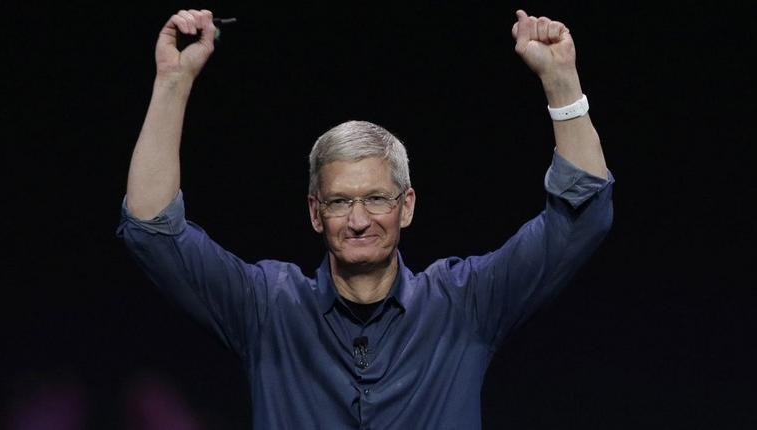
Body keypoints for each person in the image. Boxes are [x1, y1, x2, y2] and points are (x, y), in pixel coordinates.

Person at [117, 8, 613, 429]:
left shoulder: (465, 304)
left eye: (376, 198)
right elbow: (152, 231)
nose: (358, 220)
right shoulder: (267, 308)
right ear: (315, 212)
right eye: (339, 202)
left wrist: (561, 81)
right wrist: (174, 82)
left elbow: (582, 216)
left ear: (407, 205)